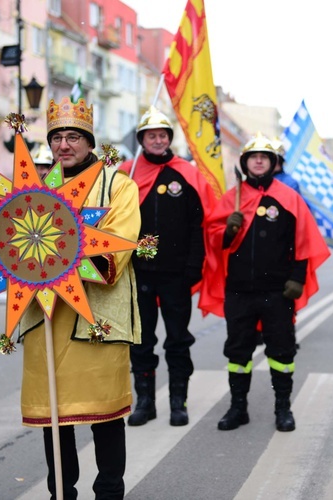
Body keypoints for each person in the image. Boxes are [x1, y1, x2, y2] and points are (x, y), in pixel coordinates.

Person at [18, 95, 141, 499]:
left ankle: (109, 492)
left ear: (90, 142)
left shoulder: (118, 186)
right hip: (46, 319)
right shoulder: (34, 190)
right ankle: (62, 493)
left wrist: (57, 255)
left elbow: (116, 248)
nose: (64, 146)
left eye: (73, 137)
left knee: (105, 416)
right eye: (57, 138)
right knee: (56, 419)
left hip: (97, 320)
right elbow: (13, 245)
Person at [200, 133, 329, 432]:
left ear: (273, 163)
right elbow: (213, 240)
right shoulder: (231, 198)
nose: (259, 160)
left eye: (265, 156)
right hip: (239, 290)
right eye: (253, 157)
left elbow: (304, 243)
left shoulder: (289, 198)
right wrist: (229, 231)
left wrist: (297, 279)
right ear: (245, 163)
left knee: (282, 352)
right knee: (238, 352)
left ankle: (283, 408)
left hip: (277, 291)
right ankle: (238, 407)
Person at [118, 106, 216, 427]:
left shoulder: (186, 173)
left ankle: (178, 401)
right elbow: (113, 221)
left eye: (162, 135)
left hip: (176, 274)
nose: (157, 140)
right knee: (142, 341)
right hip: (140, 271)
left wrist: (193, 266)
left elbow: (198, 224)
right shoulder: (127, 173)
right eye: (151, 136)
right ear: (142, 140)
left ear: (169, 139)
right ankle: (145, 402)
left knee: (177, 339)